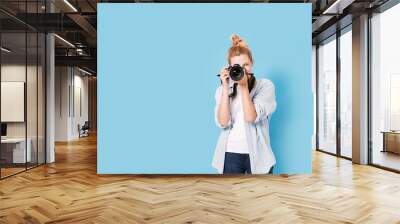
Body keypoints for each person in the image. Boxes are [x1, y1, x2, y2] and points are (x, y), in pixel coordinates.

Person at [212, 34, 277, 174]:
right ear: (229, 68)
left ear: (252, 63)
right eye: (237, 67)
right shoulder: (222, 90)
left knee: (260, 194)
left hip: (259, 153)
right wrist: (225, 88)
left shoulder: (265, 86)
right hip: (230, 153)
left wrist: (243, 86)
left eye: (245, 65)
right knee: (232, 195)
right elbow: (223, 122)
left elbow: (251, 117)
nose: (242, 70)